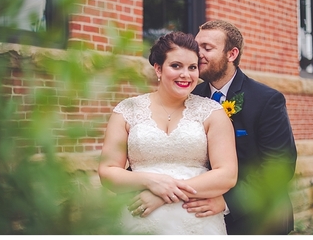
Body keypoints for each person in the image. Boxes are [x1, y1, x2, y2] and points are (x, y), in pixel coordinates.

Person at [98, 31, 238, 234]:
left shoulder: (212, 113)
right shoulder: (128, 110)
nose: (186, 75)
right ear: (158, 68)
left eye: (192, 67)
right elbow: (108, 171)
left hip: (198, 225)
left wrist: (163, 194)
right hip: (138, 222)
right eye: (176, 66)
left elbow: (227, 175)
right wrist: (151, 181)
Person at [183, 20, 298, 234]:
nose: (198, 54)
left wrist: (227, 203)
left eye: (207, 48)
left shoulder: (266, 100)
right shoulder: (191, 97)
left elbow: (280, 167)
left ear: (232, 54)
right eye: (196, 47)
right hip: (202, 220)